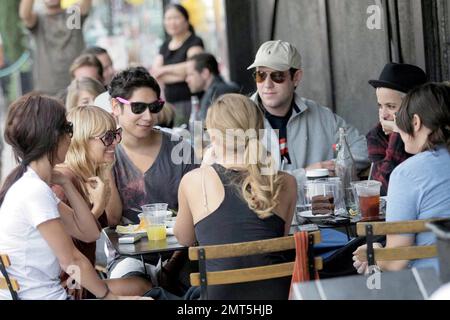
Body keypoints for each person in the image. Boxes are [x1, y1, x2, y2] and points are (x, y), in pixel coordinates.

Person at [0, 94, 137, 300]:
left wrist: (65, 182)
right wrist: (110, 297)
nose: (71, 138)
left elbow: (89, 233)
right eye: (68, 129)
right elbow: (71, 260)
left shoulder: (36, 187)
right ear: (53, 136)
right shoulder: (33, 191)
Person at [174, 94, 297, 300]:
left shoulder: (194, 181)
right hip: (276, 295)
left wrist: (205, 167)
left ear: (213, 136)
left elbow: (185, 238)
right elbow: (275, 238)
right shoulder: (287, 182)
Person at [107, 67, 197, 288]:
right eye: (138, 108)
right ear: (115, 106)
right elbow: (112, 219)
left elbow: (198, 211)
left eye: (154, 107)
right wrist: (104, 168)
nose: (148, 116)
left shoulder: (179, 147)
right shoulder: (106, 152)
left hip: (182, 252)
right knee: (128, 288)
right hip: (127, 257)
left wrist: (172, 264)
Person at [51, 105, 151, 298]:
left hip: (80, 279)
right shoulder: (64, 183)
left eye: (116, 134)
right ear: (81, 140)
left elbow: (111, 220)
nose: (114, 142)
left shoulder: (84, 177)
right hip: (68, 286)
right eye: (107, 137)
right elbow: (70, 247)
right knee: (143, 287)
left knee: (144, 284)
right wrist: (97, 207)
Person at [353, 83, 450, 273]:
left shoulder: (407, 173)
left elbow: (396, 261)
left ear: (415, 122)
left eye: (400, 121)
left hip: (432, 285)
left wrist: (372, 253)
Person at [248, 40, 369, 175]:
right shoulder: (238, 117)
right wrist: (307, 174)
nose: (267, 84)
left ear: (296, 77)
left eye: (277, 76)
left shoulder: (321, 116)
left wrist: (329, 168)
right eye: (261, 75)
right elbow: (238, 181)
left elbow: (363, 148)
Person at [367, 63, 427, 196]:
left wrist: (399, 129)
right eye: (380, 106)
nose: (383, 114)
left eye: (390, 106)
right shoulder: (377, 135)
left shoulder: (433, 133)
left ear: (414, 107)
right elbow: (383, 189)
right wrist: (397, 133)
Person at [19, 0, 91, 96]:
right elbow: (24, 15)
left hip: (78, 85)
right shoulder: (39, 19)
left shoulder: (73, 15)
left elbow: (86, 4)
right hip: (48, 89)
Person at [152, 3, 204, 127]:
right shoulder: (165, 45)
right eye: (168, 18)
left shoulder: (195, 41)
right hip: (170, 103)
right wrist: (181, 71)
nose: (172, 22)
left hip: (191, 101)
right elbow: (155, 73)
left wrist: (165, 70)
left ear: (186, 20)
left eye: (176, 18)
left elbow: (193, 68)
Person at [186, 52, 240, 121]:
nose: (187, 79)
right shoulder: (217, 91)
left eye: (190, 74)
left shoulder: (218, 93)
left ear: (205, 73)